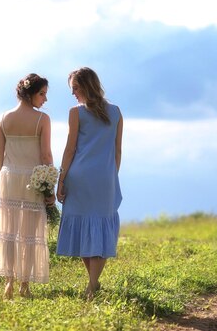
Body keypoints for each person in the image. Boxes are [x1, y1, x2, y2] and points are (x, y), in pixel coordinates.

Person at [56, 67, 123, 300]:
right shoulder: (116, 112)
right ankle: (93, 285)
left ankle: (93, 285)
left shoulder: (76, 113)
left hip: (79, 177)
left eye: (75, 88)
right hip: (105, 179)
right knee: (102, 229)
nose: (73, 93)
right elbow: (117, 151)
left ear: (86, 86)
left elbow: (70, 149)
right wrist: (111, 176)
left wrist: (60, 180)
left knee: (84, 226)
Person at [0, 73, 56, 299]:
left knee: (8, 231)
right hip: (32, 179)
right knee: (29, 233)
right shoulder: (42, 120)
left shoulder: (3, 118)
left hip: (8, 177)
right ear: (30, 94)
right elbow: (46, 154)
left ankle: (8, 282)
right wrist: (49, 187)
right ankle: (24, 285)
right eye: (42, 94)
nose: (45, 99)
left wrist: (3, 177)